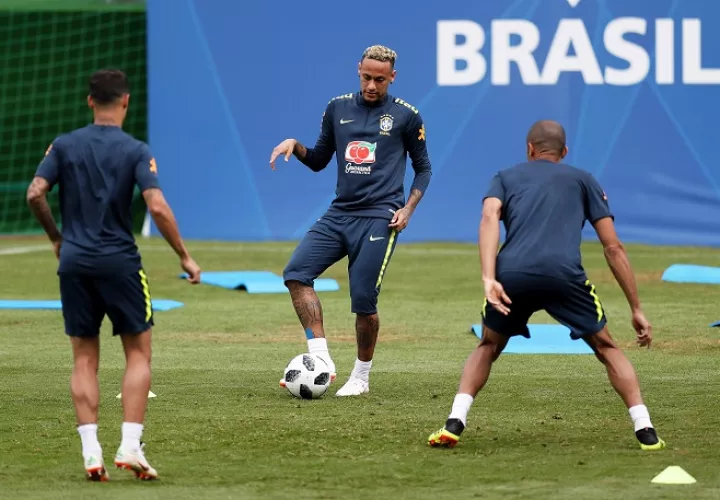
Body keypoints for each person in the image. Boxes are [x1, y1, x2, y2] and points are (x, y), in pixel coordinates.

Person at [427, 120, 665, 451]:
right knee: (607, 347)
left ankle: (455, 420)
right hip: (564, 276)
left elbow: (488, 217)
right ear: (564, 152)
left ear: (529, 149)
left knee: (488, 346)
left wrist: (488, 278)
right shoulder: (584, 180)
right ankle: (645, 428)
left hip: (512, 275)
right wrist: (636, 309)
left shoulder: (505, 177)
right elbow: (613, 248)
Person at [26, 69, 201, 481]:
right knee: (138, 354)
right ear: (125, 101)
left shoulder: (64, 145)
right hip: (120, 263)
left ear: (90, 102)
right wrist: (185, 257)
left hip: (74, 263)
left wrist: (57, 238)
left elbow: (35, 192)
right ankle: (130, 444)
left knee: (84, 359)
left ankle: (91, 453)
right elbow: (156, 206)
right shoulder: (136, 149)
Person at [269, 45, 432, 397]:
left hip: (380, 216)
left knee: (362, 302)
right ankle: (322, 361)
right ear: (358, 70)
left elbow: (424, 168)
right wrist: (295, 145)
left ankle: (361, 376)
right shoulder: (337, 108)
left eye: (380, 79)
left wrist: (408, 209)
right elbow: (317, 160)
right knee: (296, 274)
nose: (372, 85)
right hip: (340, 213)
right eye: (366, 77)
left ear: (392, 77)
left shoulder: (407, 116)